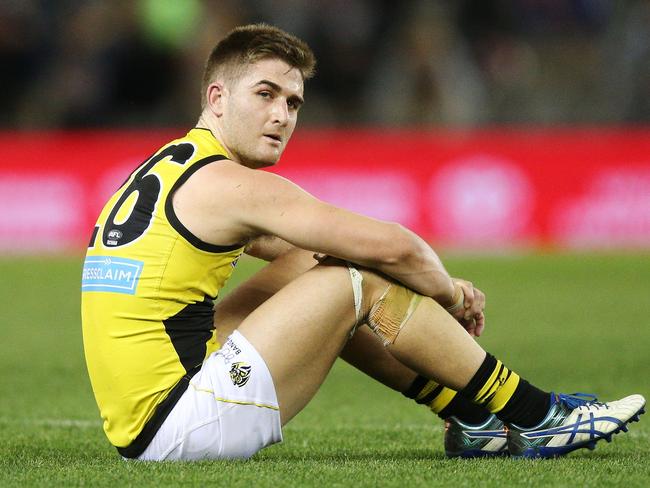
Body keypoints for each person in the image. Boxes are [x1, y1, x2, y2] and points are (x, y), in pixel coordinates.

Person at [81, 23, 645, 462]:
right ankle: (537, 414)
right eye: (266, 93)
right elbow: (393, 248)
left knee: (323, 263)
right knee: (353, 280)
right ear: (217, 97)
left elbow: (306, 249)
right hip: (181, 428)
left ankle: (472, 418)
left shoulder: (174, 165)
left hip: (151, 415)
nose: (281, 115)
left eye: (294, 102)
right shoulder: (232, 184)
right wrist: (450, 295)